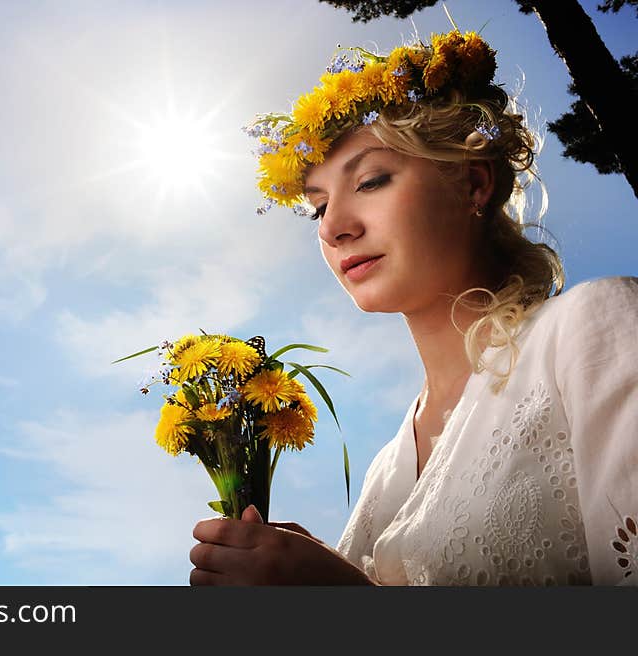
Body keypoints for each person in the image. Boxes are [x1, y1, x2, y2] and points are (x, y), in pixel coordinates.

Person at [189, 28, 638, 586]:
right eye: (317, 207)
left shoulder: (595, 331)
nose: (333, 227)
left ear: (474, 183)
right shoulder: (387, 468)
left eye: (372, 180)